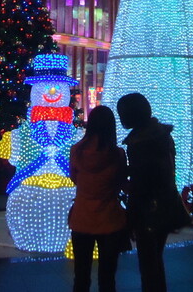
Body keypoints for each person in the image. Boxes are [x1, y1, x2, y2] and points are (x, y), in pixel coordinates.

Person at [116, 93, 187, 292]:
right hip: (166, 204)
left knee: (148, 264)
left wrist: (124, 183)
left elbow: (143, 181)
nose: (121, 118)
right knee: (154, 260)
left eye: (123, 113)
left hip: (148, 210)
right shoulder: (160, 134)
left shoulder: (141, 142)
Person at [69, 105, 129, 292]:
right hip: (109, 219)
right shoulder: (117, 154)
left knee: (81, 275)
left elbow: (74, 178)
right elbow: (120, 182)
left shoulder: (76, 151)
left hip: (82, 218)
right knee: (108, 277)